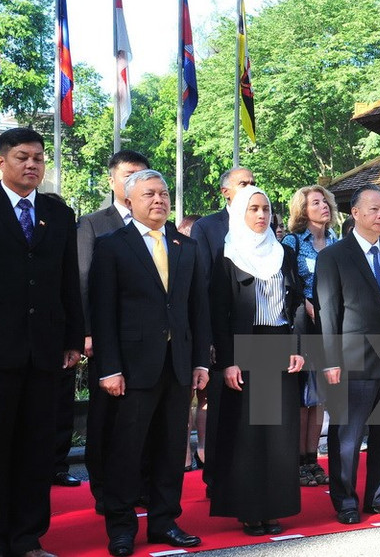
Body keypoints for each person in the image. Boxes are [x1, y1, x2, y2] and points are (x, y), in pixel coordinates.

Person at [0, 128, 84, 557]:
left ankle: (27, 538)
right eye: (22, 157)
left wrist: (73, 339)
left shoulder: (59, 214)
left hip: (44, 352)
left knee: (36, 451)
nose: (32, 165)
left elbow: (68, 282)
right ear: (0, 161)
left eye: (39, 158)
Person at [89, 169, 211, 556]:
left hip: (177, 364)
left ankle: (164, 521)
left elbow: (197, 309)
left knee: (170, 447)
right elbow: (102, 312)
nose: (158, 200)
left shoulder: (184, 245)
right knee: (126, 450)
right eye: (149, 195)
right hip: (131, 367)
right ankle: (121, 526)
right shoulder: (112, 245)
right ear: (129, 201)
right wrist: (109, 367)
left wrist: (200, 362)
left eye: (163, 194)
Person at [315, 185, 380, 525]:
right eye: (374, 210)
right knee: (347, 436)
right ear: (355, 214)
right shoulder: (334, 256)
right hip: (352, 358)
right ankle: (345, 499)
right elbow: (328, 312)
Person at [208, 186, 304, 536]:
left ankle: (273, 507)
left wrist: (296, 345)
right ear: (239, 214)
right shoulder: (228, 256)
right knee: (249, 435)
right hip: (245, 346)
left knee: (276, 433)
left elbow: (293, 305)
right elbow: (219, 314)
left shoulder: (282, 254)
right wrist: (228, 362)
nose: (262, 215)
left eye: (266, 209)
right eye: (253, 209)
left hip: (278, 344)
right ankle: (250, 510)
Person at [77, 149, 151, 510]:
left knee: (140, 418)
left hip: (149, 340)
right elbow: (85, 278)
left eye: (142, 173)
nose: (135, 180)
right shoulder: (94, 223)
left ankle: (137, 485)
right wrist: (89, 333)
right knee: (105, 415)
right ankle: (104, 488)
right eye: (127, 174)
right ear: (112, 180)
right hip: (108, 337)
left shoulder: (157, 225)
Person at [190, 167, 255, 492]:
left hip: (260, 336)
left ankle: (250, 477)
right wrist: (209, 338)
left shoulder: (262, 224)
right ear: (225, 192)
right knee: (220, 409)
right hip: (221, 333)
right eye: (243, 183)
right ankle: (216, 478)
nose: (250, 188)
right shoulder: (207, 227)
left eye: (253, 183)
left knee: (256, 413)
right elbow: (200, 283)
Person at [282, 184, 338, 487]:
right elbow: (288, 282)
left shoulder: (335, 240)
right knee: (303, 394)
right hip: (303, 322)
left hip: (329, 324)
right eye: (315, 203)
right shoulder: (291, 241)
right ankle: (298, 461)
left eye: (325, 201)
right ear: (303, 210)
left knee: (320, 396)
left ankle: (313, 458)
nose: (323, 207)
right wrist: (306, 300)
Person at [177, 214, 206, 473]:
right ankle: (183, 453)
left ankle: (204, 453)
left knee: (206, 398)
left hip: (205, 333)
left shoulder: (201, 254)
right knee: (183, 398)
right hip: (180, 337)